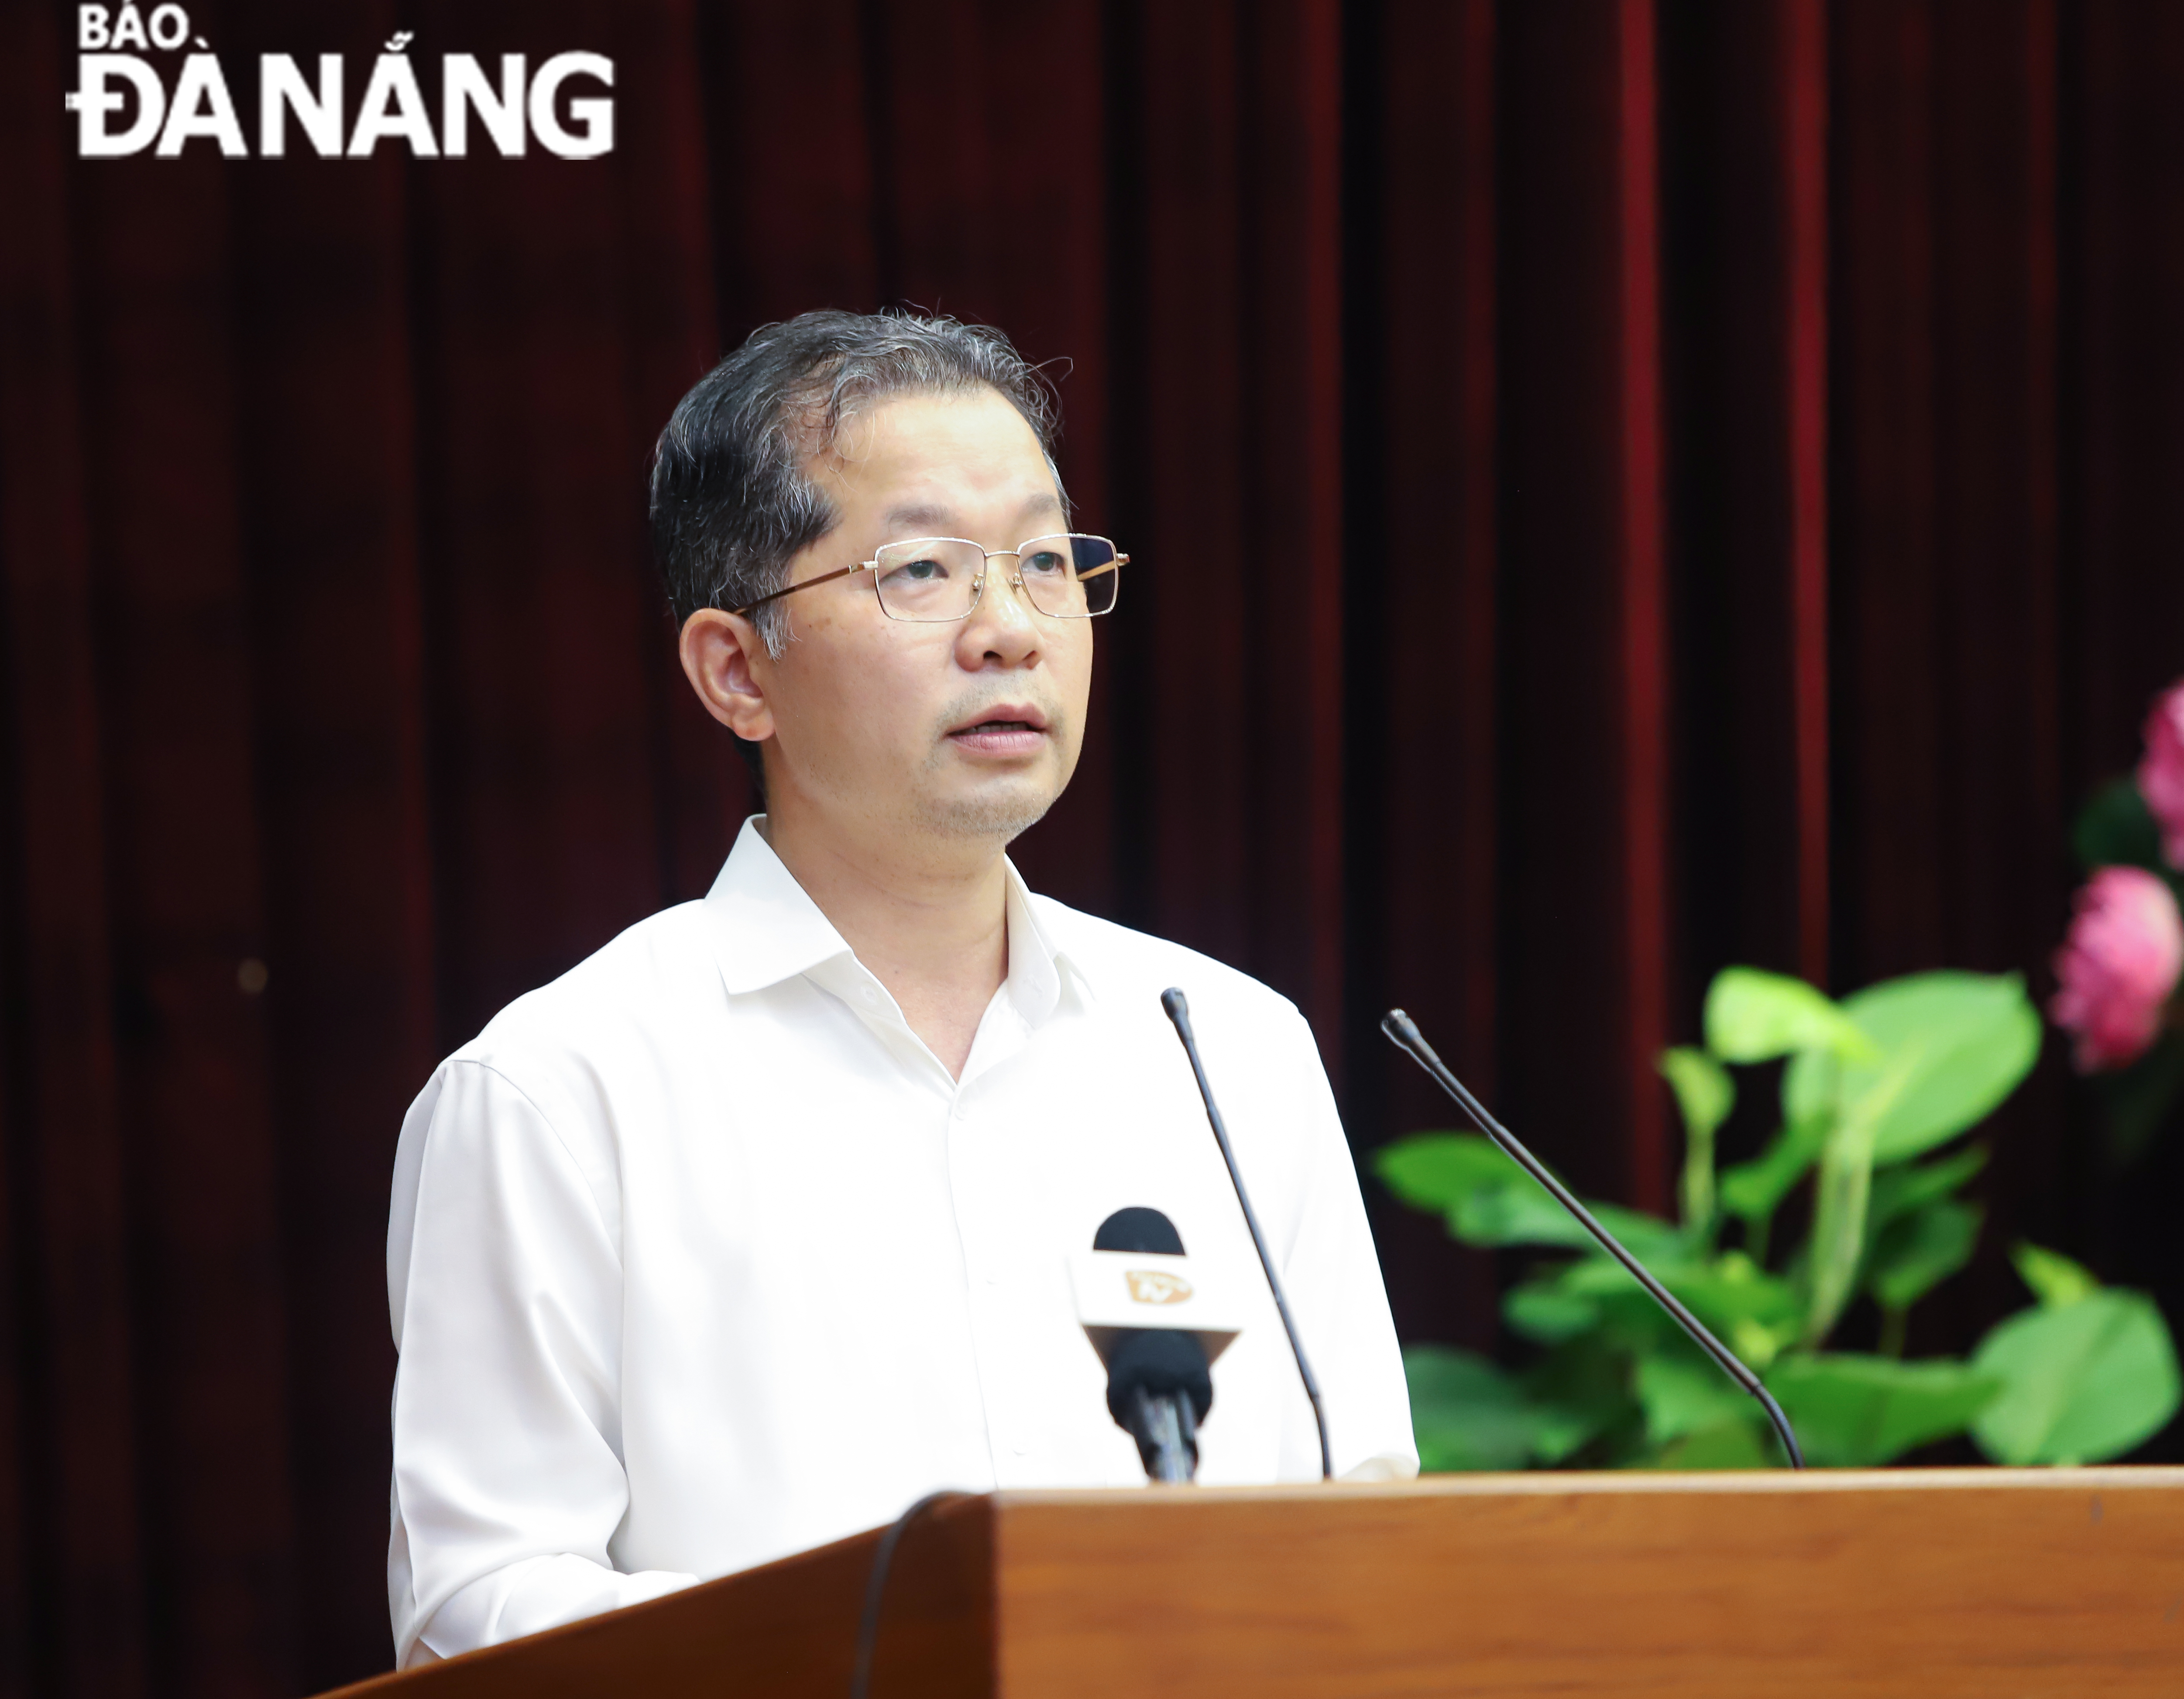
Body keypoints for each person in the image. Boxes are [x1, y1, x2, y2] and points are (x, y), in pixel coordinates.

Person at [384, 310, 1417, 1667]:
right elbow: (483, 1617)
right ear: (737, 669)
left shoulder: (1229, 1048)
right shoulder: (561, 1091)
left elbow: (1369, 1524)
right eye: (922, 570)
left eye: (1047, 561)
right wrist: (906, 1655)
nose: (1009, 629)